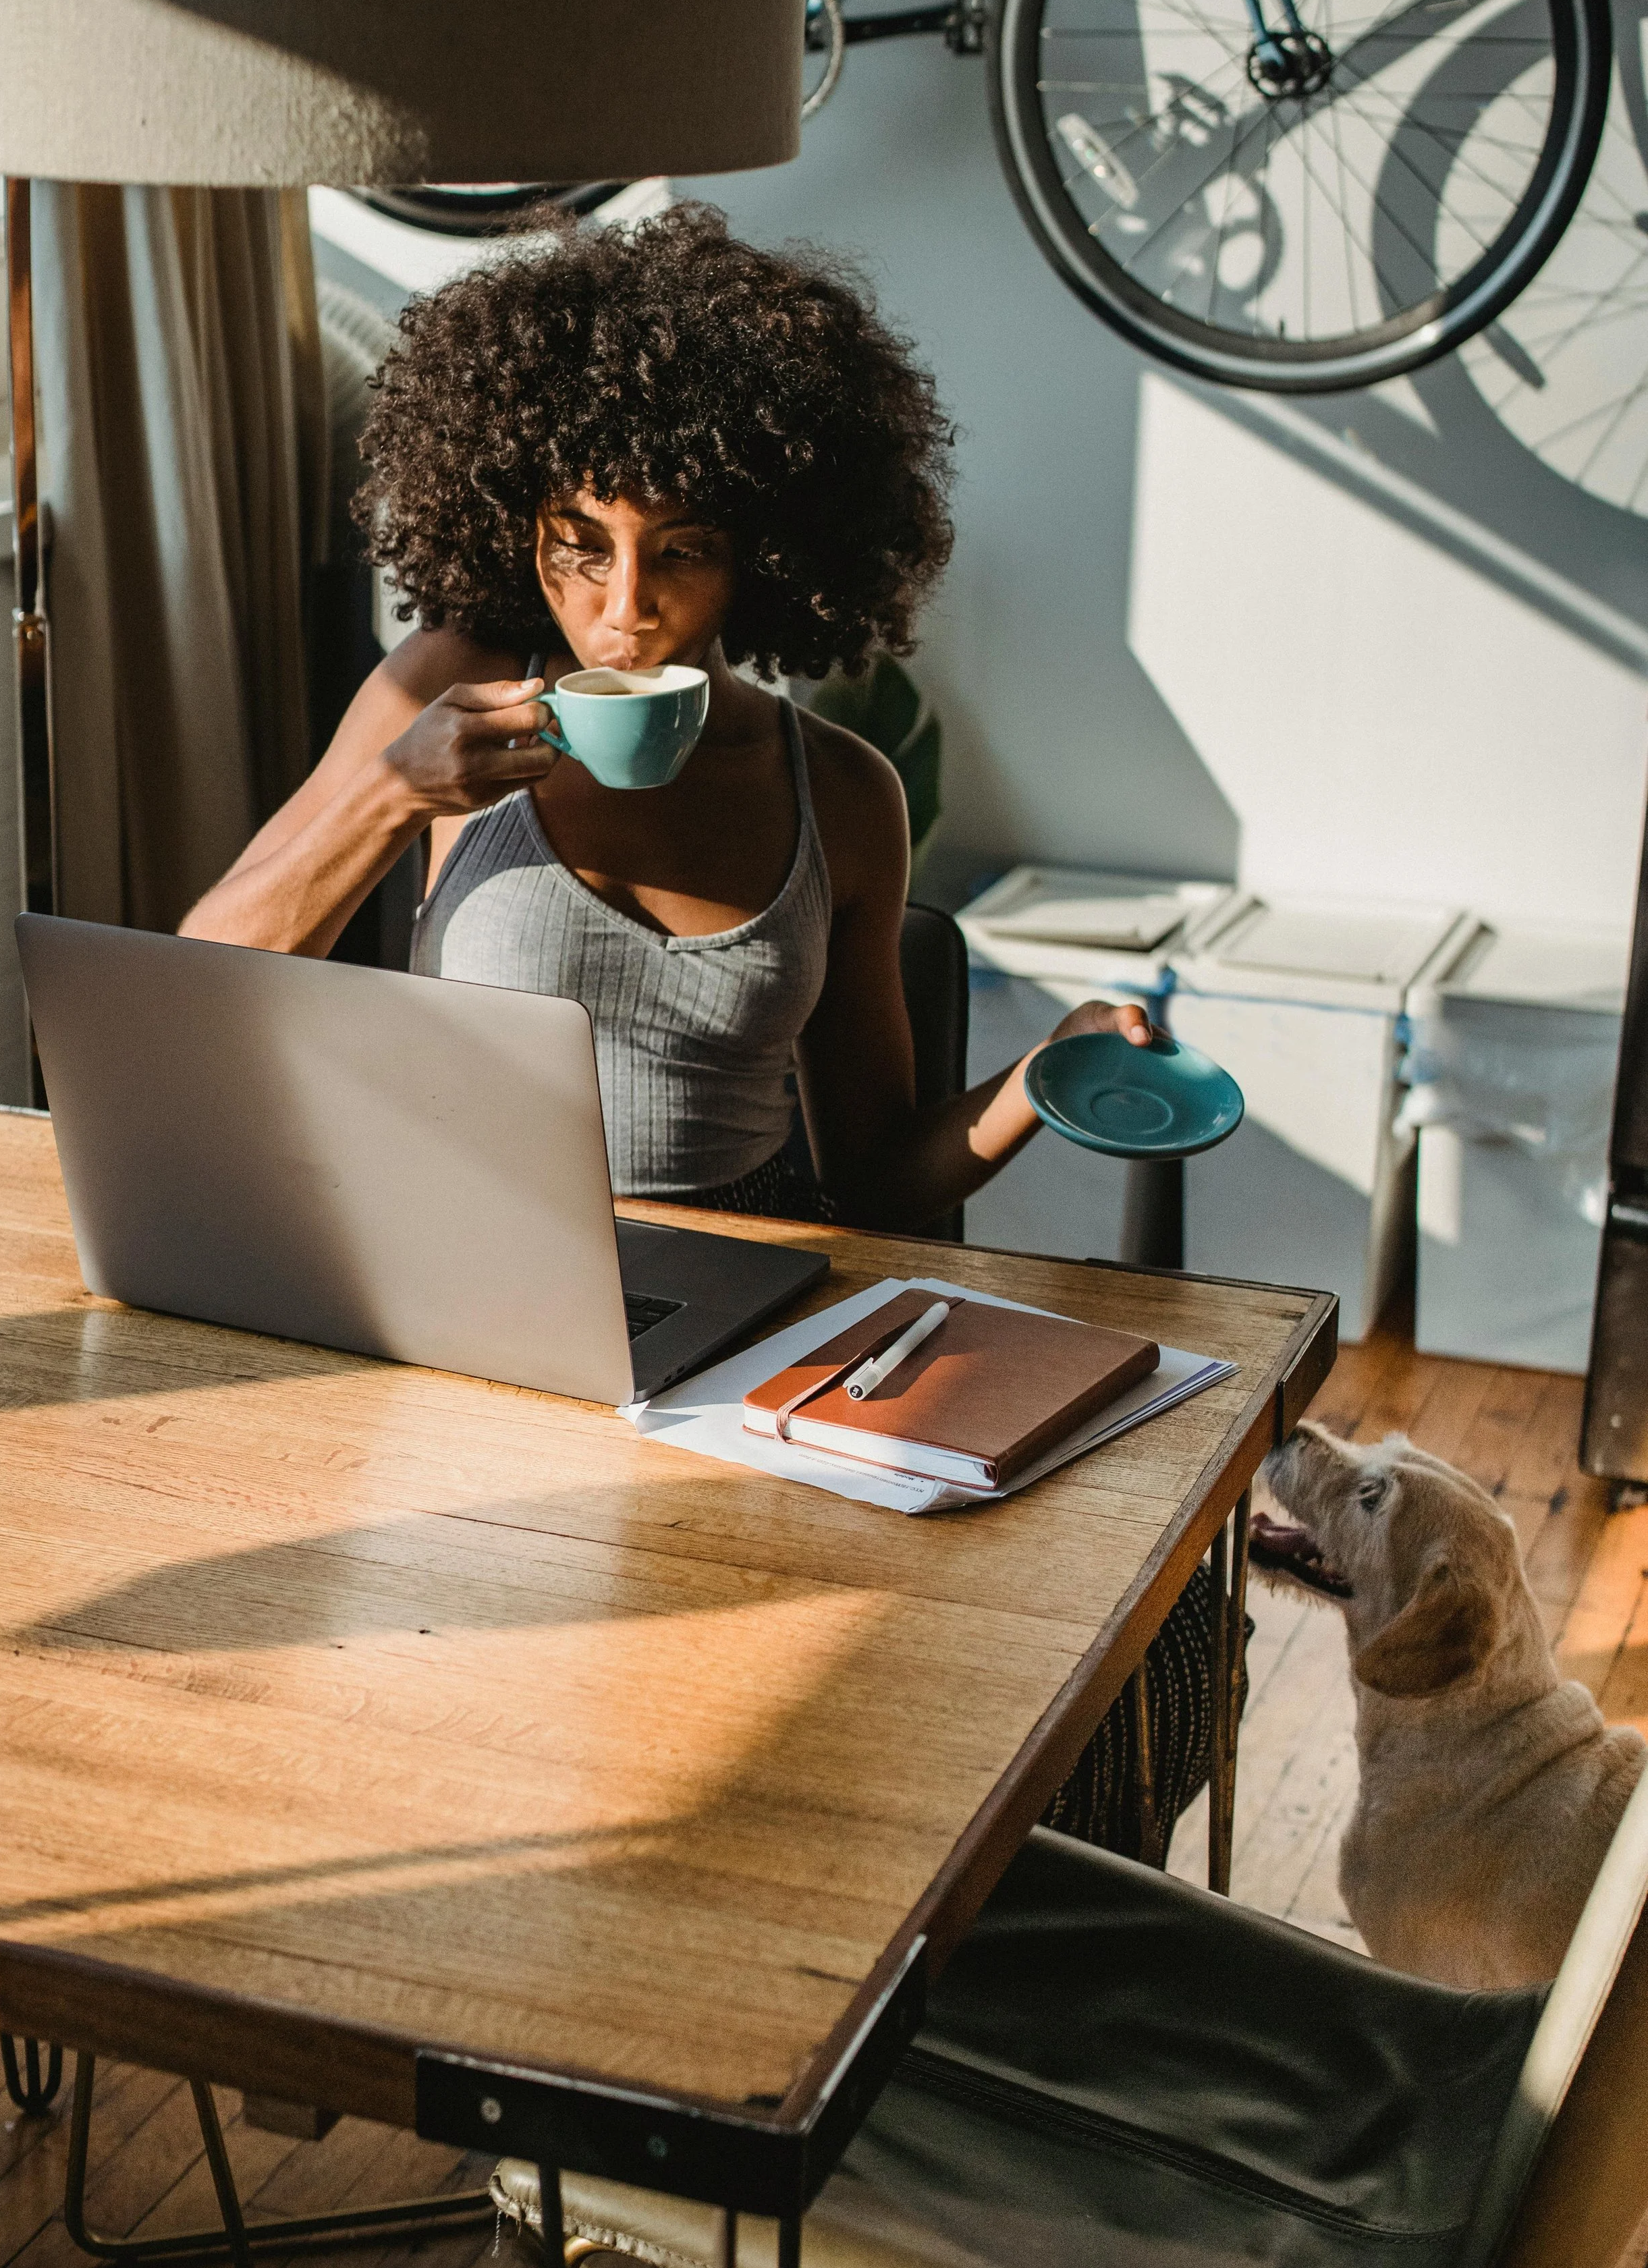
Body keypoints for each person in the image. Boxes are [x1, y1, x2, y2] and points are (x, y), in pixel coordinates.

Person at [184, 202, 1218, 1860]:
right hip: (468, 1321)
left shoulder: (843, 795)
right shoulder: (447, 695)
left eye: (679, 550)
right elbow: (208, 969)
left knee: (1074, 1639)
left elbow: (879, 1174)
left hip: (738, 1344)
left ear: (767, 554)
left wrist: (1038, 1078)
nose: (622, 608)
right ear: (509, 527)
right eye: (574, 543)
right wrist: (391, 799)